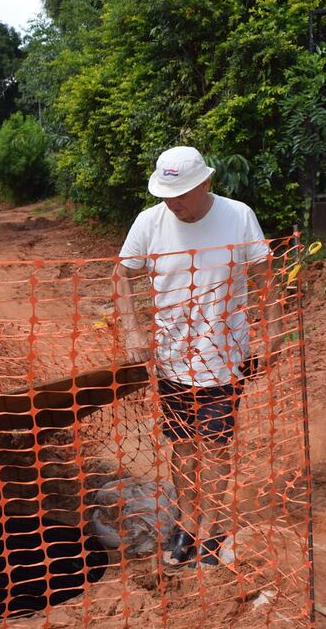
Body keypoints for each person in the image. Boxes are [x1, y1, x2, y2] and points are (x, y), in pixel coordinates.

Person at [116, 146, 282, 567]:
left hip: (225, 358)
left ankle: (213, 526)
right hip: (171, 359)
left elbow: (265, 277)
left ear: (206, 183)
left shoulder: (238, 216)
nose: (174, 204)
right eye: (167, 195)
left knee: (216, 445)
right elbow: (121, 277)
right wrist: (133, 332)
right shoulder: (149, 223)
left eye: (182, 195)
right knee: (182, 445)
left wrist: (274, 330)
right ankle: (187, 523)